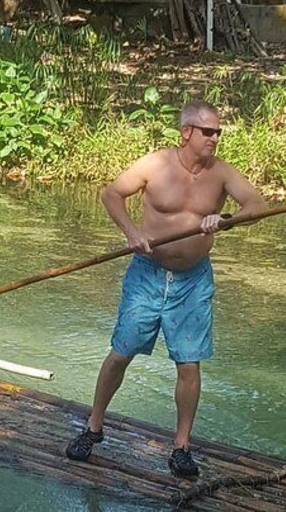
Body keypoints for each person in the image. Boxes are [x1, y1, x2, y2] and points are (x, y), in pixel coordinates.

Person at [64, 101, 266, 479]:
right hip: (147, 273)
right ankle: (93, 427)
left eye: (219, 132)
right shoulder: (156, 164)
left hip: (192, 281)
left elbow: (257, 204)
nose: (215, 139)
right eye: (209, 132)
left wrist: (226, 220)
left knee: (188, 363)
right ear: (187, 132)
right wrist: (132, 232)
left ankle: (181, 446)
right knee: (122, 351)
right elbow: (112, 193)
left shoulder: (221, 173)